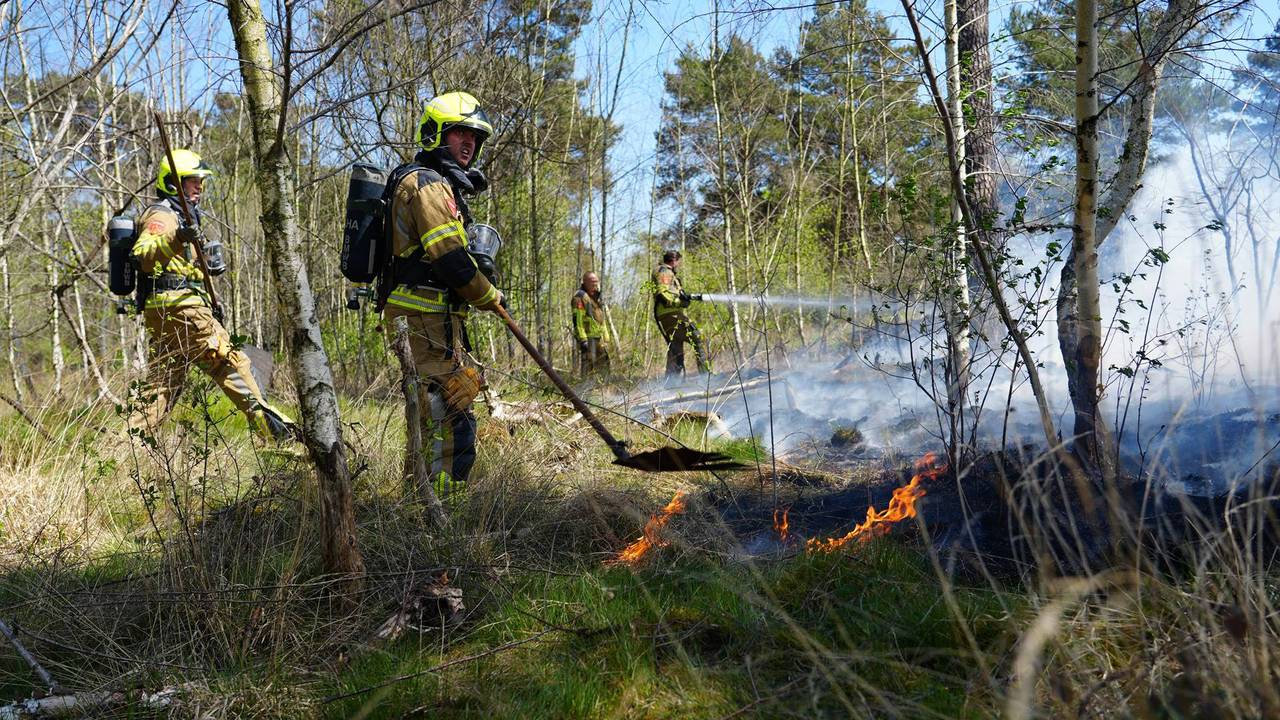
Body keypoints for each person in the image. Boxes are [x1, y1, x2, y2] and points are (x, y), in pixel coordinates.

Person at [382, 91, 504, 499]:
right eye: (459, 134)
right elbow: (451, 261)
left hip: (436, 318)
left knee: (444, 406)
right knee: (449, 411)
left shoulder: (437, 185)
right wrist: (489, 295)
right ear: (436, 134)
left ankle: (424, 500)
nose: (469, 143)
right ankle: (440, 509)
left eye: (475, 137)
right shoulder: (427, 185)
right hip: (422, 317)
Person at [127, 149, 294, 443]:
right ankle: (278, 436)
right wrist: (177, 238)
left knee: (162, 388)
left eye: (200, 181)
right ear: (173, 182)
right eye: (192, 181)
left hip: (173, 310)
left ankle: (127, 451)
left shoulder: (183, 216)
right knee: (231, 363)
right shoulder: (162, 216)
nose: (199, 187)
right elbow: (142, 256)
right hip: (180, 308)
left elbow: (178, 262)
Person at [651, 249, 708, 378]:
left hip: (668, 315)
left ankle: (672, 382)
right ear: (674, 261)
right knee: (696, 337)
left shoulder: (666, 272)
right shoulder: (664, 271)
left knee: (675, 346)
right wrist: (679, 302)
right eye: (679, 262)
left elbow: (670, 293)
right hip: (671, 314)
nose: (679, 265)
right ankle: (706, 377)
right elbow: (662, 294)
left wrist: (684, 299)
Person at [571, 271, 611, 378]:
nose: (595, 285)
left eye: (596, 282)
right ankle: (585, 392)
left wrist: (606, 337)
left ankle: (605, 392)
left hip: (599, 339)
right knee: (589, 369)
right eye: (592, 282)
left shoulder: (595, 297)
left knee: (605, 367)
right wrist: (583, 340)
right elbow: (578, 321)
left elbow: (601, 320)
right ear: (585, 282)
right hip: (588, 340)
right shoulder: (580, 297)